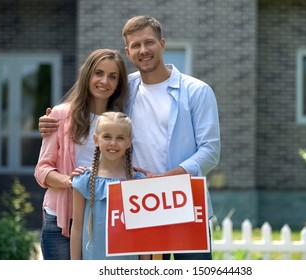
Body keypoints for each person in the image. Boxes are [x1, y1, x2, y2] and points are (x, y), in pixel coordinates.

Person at [39, 15, 221, 260]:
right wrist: (51, 122)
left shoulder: (197, 91)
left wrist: (163, 180)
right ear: (128, 51)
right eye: (136, 45)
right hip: (134, 205)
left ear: (162, 44)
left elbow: (210, 152)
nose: (143, 50)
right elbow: (93, 114)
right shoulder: (125, 89)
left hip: (182, 200)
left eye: (149, 43)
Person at [34, 49, 129, 260]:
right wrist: (73, 181)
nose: (104, 81)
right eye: (99, 73)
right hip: (62, 220)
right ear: (87, 75)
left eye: (113, 76)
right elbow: (42, 171)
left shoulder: (120, 122)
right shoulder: (60, 115)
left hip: (101, 221)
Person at [70, 111, 149, 260]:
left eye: (120, 138)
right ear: (96, 139)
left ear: (128, 142)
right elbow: (77, 228)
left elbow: (144, 232)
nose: (113, 143)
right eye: (107, 136)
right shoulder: (84, 180)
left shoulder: (138, 182)